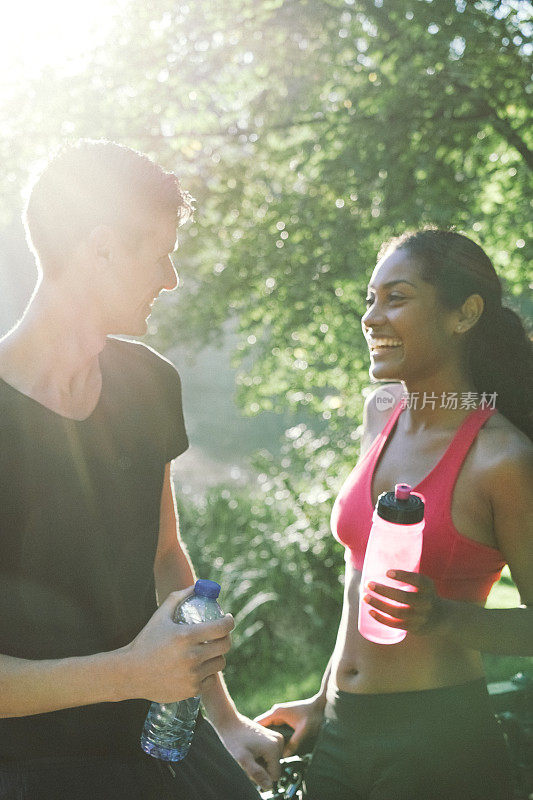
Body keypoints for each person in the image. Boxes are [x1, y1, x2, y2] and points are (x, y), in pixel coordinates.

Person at [0, 139, 282, 800]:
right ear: (100, 249)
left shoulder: (151, 384)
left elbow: (164, 559)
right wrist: (130, 673)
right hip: (31, 770)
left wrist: (224, 717)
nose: (170, 278)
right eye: (158, 251)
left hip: (163, 742)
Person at [257, 228, 533, 800]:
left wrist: (444, 618)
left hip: (440, 746)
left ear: (464, 315)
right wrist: (323, 698)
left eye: (397, 298)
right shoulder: (381, 411)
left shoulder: (501, 460)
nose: (373, 317)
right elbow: (361, 580)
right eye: (370, 300)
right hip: (338, 731)